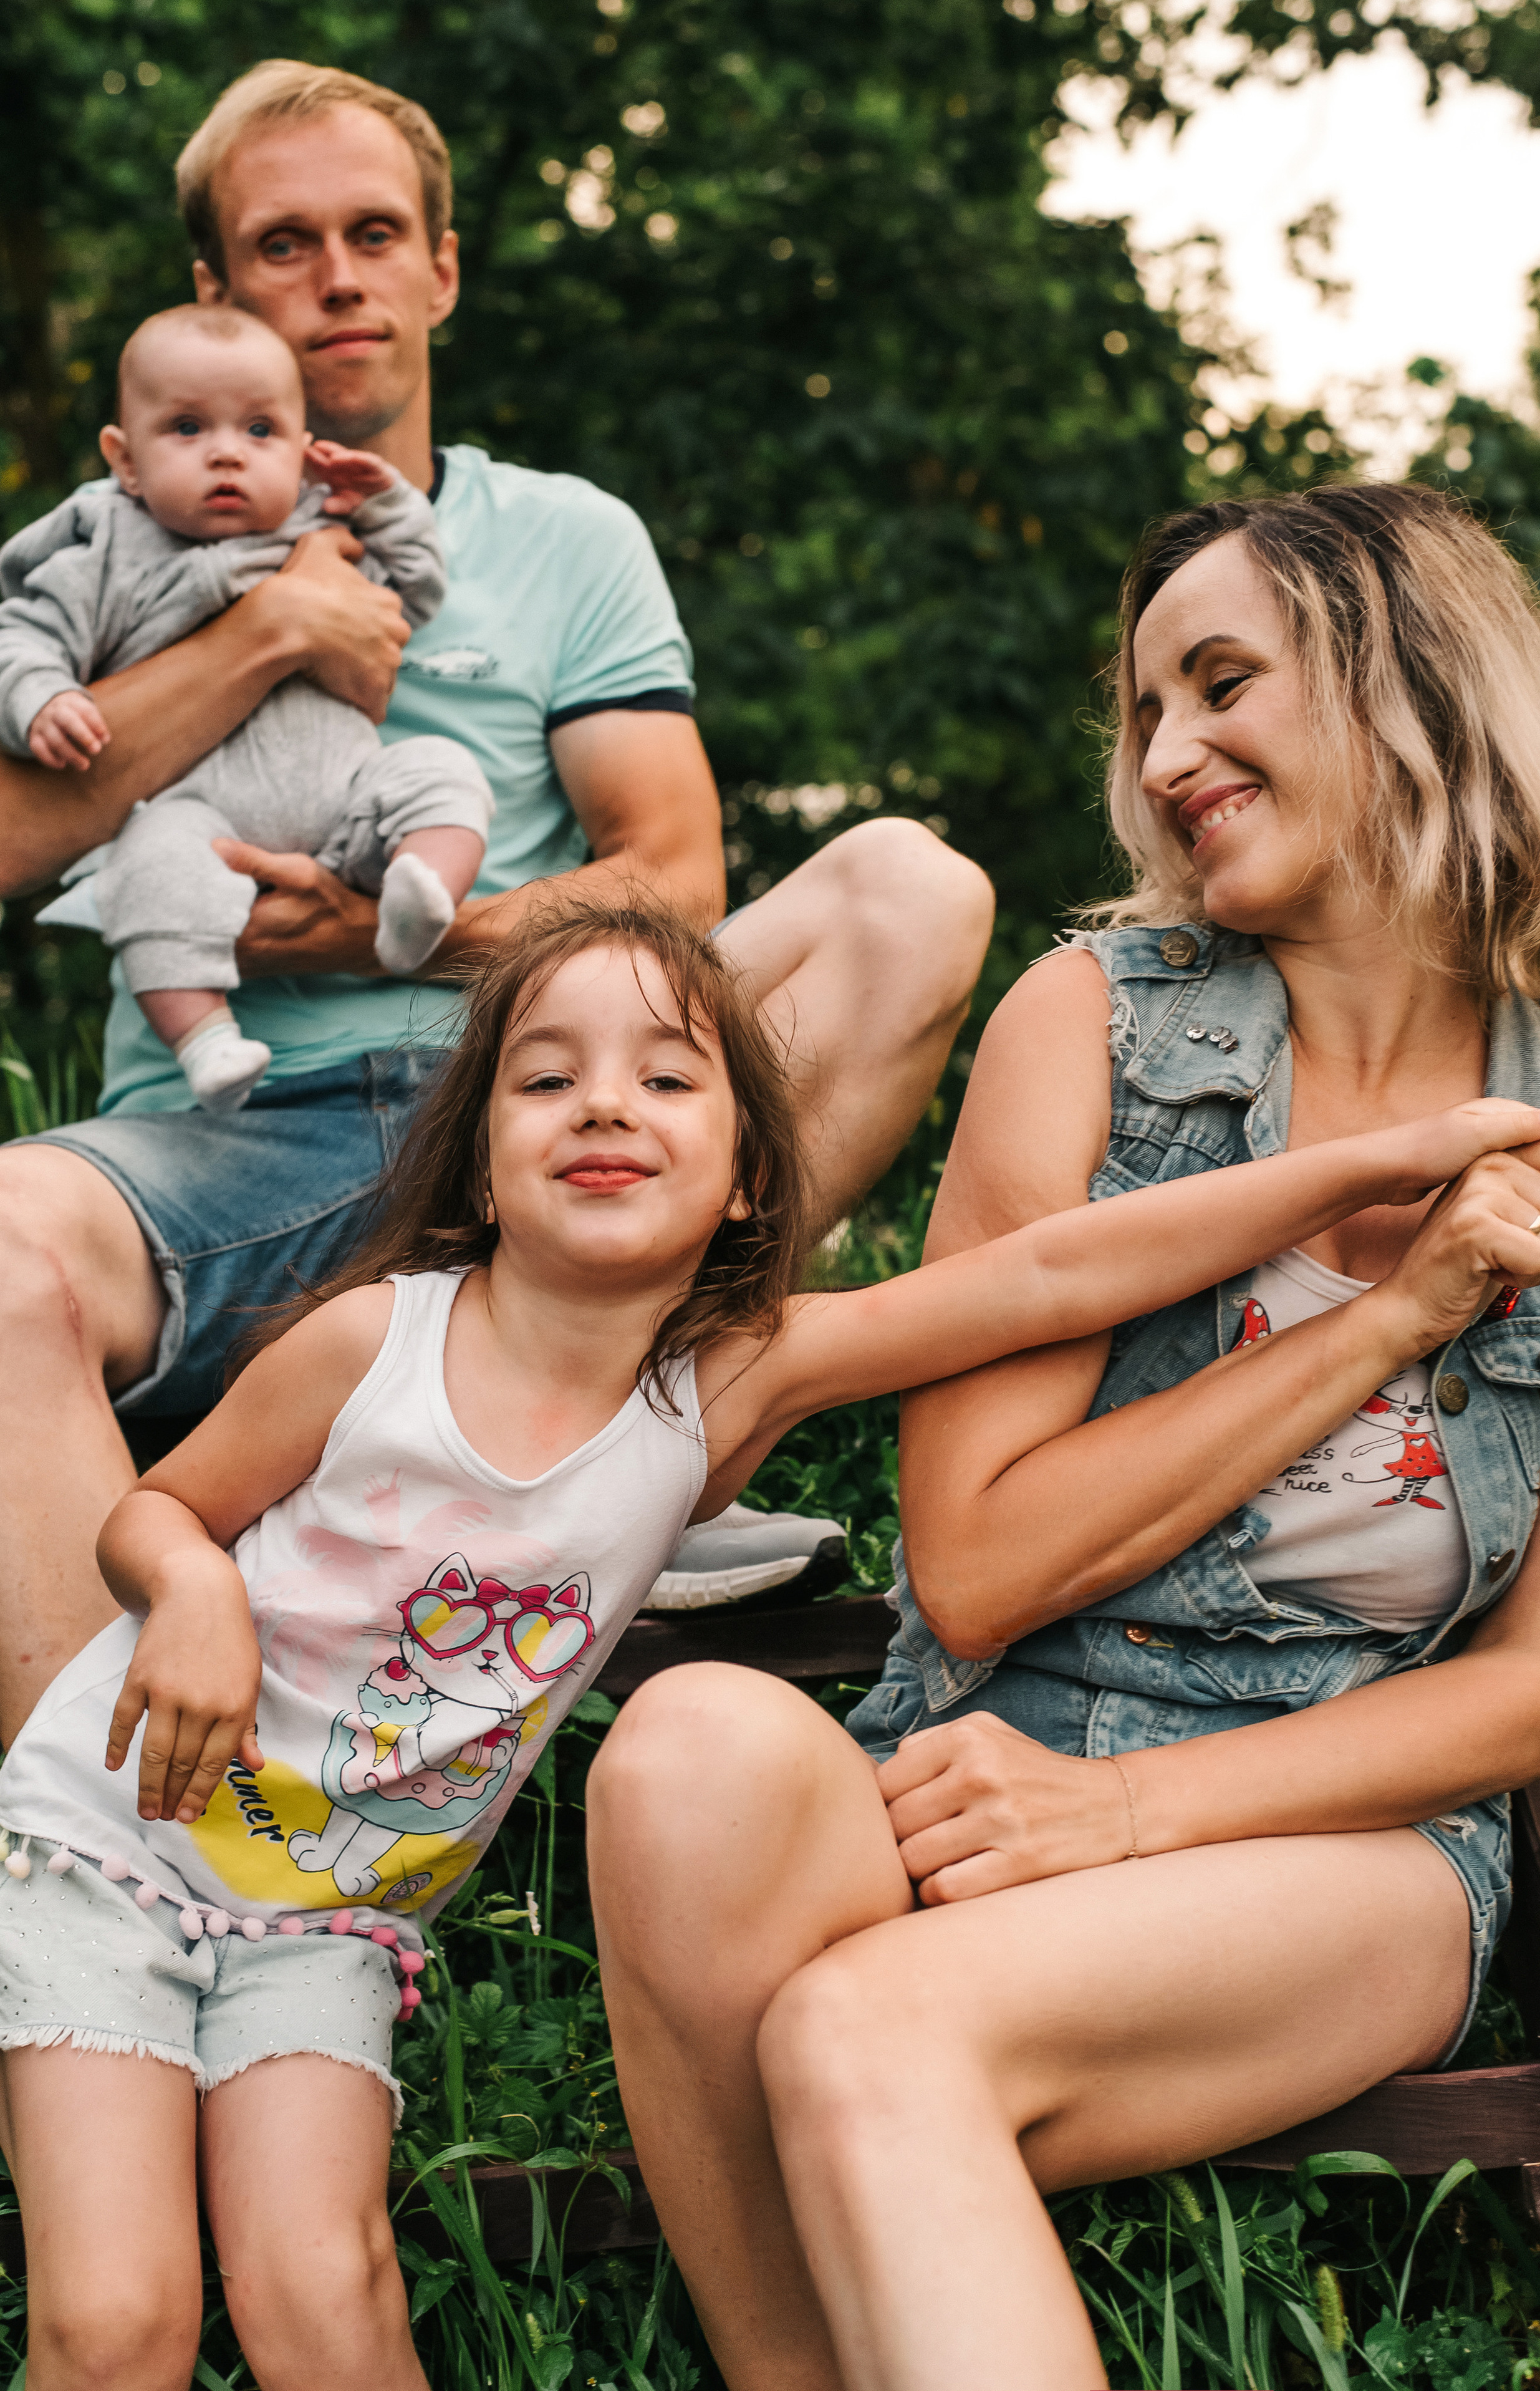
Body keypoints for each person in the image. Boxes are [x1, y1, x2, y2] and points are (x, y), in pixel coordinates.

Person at [0, 892, 1540, 2391]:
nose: (604, 1104)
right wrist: (193, 1590)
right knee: (123, 2326)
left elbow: (1052, 1270)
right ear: (479, 1160)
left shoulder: (728, 1381)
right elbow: (156, 1516)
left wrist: (1389, 1162)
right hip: (109, 1844)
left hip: (323, 1925)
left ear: (746, 1176)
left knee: (326, 2301)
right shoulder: (370, 1343)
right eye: (547, 1077)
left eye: (667, 1076)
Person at [586, 482, 1540, 2391]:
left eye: (1222, 684)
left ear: (1414, 686)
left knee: (872, 2028)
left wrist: (1127, 1812)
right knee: (688, 1747)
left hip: (1337, 1829)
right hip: (980, 1761)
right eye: (1146, 711)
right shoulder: (1099, 1022)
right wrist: (1393, 1314)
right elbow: (976, 1556)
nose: (1167, 754)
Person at [0, 60, 994, 1750]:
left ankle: (648, 1434)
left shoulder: (562, 537)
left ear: (441, 269)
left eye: (374, 233)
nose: (336, 275)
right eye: (284, 241)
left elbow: (673, 878)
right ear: (213, 290)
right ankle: (96, 1833)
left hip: (530, 1111)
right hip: (222, 1141)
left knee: (911, 888)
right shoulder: (101, 541)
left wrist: (415, 931)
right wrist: (268, 632)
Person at [1, 304, 495, 1109]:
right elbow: (20, 636)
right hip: (200, 822)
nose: (227, 452)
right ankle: (207, 1042)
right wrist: (40, 696)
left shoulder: (322, 527)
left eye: (260, 431)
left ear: (303, 452)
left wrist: (390, 504)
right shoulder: (104, 553)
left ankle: (419, 894)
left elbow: (420, 589)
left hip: (347, 807)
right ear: (125, 461)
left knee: (440, 771)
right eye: (189, 428)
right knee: (149, 869)